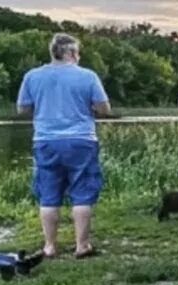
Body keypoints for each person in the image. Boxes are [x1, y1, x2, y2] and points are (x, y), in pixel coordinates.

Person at [15, 33, 112, 260]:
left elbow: (22, 109)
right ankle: (82, 245)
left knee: (48, 194)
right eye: (77, 52)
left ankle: (49, 246)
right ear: (70, 53)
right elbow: (104, 108)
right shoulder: (88, 76)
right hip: (81, 140)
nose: (79, 56)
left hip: (45, 140)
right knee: (82, 193)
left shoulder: (32, 76)